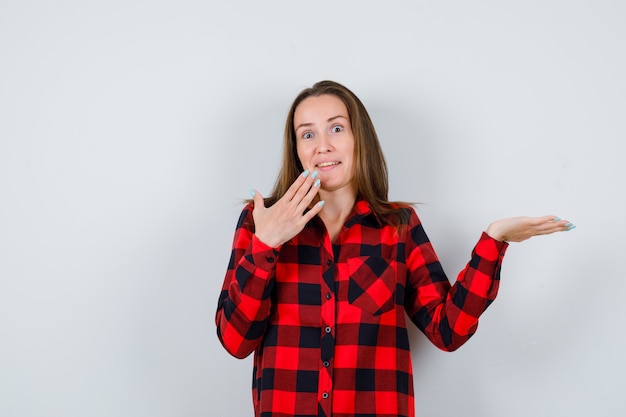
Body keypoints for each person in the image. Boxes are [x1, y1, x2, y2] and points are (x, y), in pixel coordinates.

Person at [215, 80, 574, 417]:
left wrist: (494, 241)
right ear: (296, 150)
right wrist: (265, 244)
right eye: (307, 134)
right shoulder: (259, 221)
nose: (322, 145)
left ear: (360, 138)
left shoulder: (399, 227)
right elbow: (236, 342)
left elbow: (447, 330)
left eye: (336, 128)